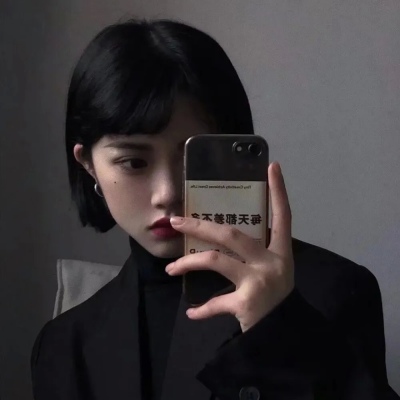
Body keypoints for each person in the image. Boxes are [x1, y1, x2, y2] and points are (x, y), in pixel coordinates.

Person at [31, 18, 399, 400]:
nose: (167, 193)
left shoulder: (331, 290)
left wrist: (279, 331)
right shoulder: (63, 345)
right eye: (134, 162)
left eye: (194, 158)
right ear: (89, 164)